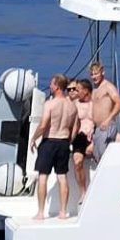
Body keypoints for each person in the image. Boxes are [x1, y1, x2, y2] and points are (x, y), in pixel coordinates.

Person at [29, 73, 77, 220]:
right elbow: (74, 128)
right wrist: (69, 142)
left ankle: (41, 212)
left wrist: (33, 138)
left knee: (43, 177)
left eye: (51, 84)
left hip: (49, 142)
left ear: (56, 86)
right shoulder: (72, 106)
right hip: (63, 141)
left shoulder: (50, 104)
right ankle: (63, 212)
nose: (50, 86)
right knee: (62, 177)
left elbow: (43, 125)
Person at [89, 61, 120, 153]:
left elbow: (119, 103)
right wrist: (92, 127)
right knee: (97, 155)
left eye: (96, 74)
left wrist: (108, 119)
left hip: (107, 126)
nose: (94, 77)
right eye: (92, 74)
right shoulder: (94, 90)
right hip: (97, 128)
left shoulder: (108, 87)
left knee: (103, 153)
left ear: (102, 72)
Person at [69, 78, 95, 198]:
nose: (76, 92)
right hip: (80, 136)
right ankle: (83, 192)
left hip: (94, 135)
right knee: (77, 161)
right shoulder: (75, 104)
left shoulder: (95, 103)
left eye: (78, 89)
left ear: (85, 91)